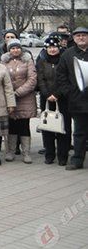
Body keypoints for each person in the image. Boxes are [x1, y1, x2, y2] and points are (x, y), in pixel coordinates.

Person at [57, 26, 88, 170]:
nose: (81, 38)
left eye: (84, 35)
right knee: (79, 132)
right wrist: (69, 93)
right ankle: (77, 160)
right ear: (74, 39)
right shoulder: (67, 55)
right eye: (78, 36)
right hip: (77, 101)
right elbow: (61, 77)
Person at [37, 35, 71, 165]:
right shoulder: (41, 60)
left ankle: (63, 156)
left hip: (62, 98)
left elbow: (67, 79)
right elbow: (40, 79)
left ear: (59, 47)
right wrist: (47, 94)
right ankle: (49, 154)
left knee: (63, 127)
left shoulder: (65, 59)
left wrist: (57, 94)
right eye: (49, 47)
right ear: (46, 48)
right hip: (46, 99)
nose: (52, 50)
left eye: (54, 47)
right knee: (47, 127)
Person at [1, 39, 37, 163]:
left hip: (25, 98)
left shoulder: (28, 61)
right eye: (12, 48)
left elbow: (32, 80)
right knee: (11, 125)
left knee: (24, 125)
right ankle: (10, 151)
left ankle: (26, 153)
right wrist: (10, 94)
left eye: (17, 48)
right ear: (9, 50)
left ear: (21, 49)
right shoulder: (4, 62)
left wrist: (18, 92)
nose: (15, 50)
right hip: (9, 98)